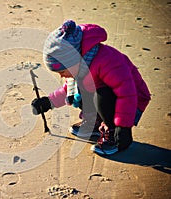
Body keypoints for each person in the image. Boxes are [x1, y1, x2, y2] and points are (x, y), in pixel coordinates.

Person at [31, 20, 151, 155]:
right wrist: (48, 102)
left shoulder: (108, 61)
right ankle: (94, 122)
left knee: (101, 94)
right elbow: (67, 91)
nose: (61, 76)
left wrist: (123, 127)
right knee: (79, 90)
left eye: (62, 72)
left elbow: (127, 93)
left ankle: (113, 134)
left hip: (131, 102)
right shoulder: (81, 64)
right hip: (109, 98)